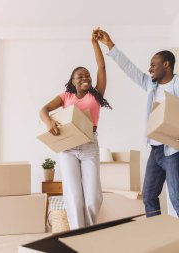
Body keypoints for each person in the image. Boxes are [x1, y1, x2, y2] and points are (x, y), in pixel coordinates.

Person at [96, 29, 179, 225]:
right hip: (155, 150)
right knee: (149, 196)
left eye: (153, 65)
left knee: (178, 200)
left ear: (166, 64)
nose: (150, 69)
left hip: (174, 152)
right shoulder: (152, 85)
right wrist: (110, 45)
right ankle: (160, 237)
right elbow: (130, 69)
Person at [39, 29, 112, 229]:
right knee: (73, 197)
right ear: (73, 81)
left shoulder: (96, 95)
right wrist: (49, 122)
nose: (85, 78)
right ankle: (79, 236)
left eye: (87, 75)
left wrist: (95, 43)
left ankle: (88, 233)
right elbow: (43, 110)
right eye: (80, 76)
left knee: (92, 198)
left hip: (89, 145)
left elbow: (101, 66)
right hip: (68, 148)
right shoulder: (65, 97)